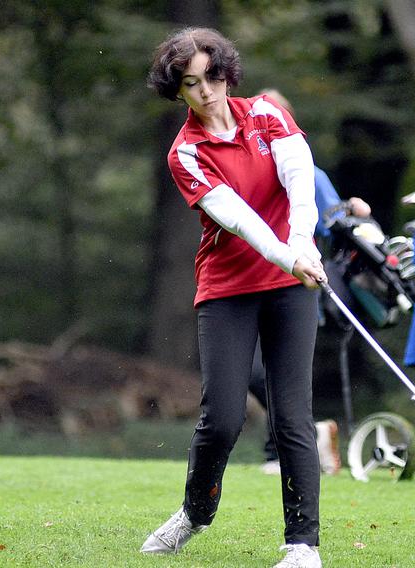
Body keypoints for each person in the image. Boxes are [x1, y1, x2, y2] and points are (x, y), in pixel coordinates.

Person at [142, 28, 326, 568]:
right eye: (192, 84)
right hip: (227, 288)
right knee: (222, 419)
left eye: (213, 76)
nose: (206, 91)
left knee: (292, 415)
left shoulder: (269, 115)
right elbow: (240, 220)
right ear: (177, 91)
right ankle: (195, 513)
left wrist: (302, 245)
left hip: (292, 282)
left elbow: (300, 184)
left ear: (228, 72)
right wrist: (288, 254)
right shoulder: (186, 153)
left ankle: (302, 547)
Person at [248, 89, 371, 477]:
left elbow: (334, 221)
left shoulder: (309, 173)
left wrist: (352, 209)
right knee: (252, 373)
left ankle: (278, 452)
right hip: (246, 285)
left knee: (279, 370)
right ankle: (304, 435)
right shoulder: (242, 167)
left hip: (295, 286)